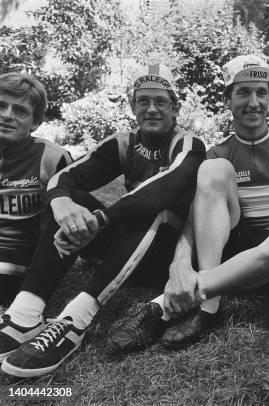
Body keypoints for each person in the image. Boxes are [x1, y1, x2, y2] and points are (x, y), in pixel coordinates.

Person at [109, 56, 269, 361]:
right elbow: (193, 220)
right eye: (243, 93)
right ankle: (209, 306)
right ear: (227, 99)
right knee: (214, 169)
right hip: (238, 254)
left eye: (261, 92)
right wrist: (180, 263)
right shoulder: (217, 153)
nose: (253, 102)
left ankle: (165, 305)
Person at [0, 63, 207, 377]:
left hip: (164, 254)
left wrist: (101, 220)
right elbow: (64, 177)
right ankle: (24, 314)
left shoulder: (189, 144)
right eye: (143, 101)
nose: (151, 109)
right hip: (122, 251)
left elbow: (165, 189)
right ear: (133, 106)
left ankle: (73, 323)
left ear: (175, 107)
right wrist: (62, 204)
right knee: (74, 203)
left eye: (161, 102)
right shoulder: (125, 141)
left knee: (155, 210)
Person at [0, 72, 72, 305]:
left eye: (20, 111)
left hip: (23, 262)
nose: (6, 116)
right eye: (1, 106)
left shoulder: (52, 156)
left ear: (36, 122)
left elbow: (69, 215)